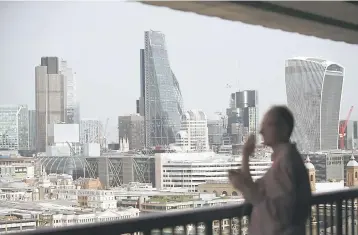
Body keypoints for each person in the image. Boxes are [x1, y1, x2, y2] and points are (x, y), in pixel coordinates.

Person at [228, 105, 312, 235]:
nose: (261, 131)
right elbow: (255, 192)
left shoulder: (285, 162)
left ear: (283, 129)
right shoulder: (284, 160)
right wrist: (245, 155)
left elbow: (278, 213)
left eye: (268, 124)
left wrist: (242, 185)